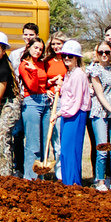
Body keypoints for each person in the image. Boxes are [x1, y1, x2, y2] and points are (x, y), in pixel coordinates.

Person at [86, 41, 111, 191]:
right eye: (101, 52)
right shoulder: (95, 71)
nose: (104, 55)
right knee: (102, 147)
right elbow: (99, 94)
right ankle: (100, 181)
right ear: (97, 54)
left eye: (107, 52)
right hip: (100, 111)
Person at [56, 40, 90, 186]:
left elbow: (76, 100)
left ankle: (72, 183)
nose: (67, 58)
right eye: (65, 56)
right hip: (67, 114)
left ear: (77, 58)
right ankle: (68, 180)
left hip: (75, 114)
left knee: (71, 150)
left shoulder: (78, 75)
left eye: (70, 56)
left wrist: (59, 113)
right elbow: (68, 95)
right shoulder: (69, 73)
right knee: (65, 149)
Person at [0, 32, 22, 177]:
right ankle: (1, 172)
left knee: (2, 137)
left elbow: (0, 94)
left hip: (10, 104)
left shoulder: (3, 69)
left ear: (3, 51)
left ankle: (6, 174)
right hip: (1, 103)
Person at [18, 36, 48, 180]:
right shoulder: (24, 65)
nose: (38, 51)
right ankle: (30, 177)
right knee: (33, 143)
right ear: (29, 47)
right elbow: (32, 86)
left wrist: (50, 86)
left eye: (41, 49)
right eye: (35, 48)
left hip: (45, 102)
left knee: (43, 142)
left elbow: (44, 83)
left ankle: (40, 176)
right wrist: (34, 72)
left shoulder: (41, 63)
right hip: (31, 102)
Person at [38, 33, 67, 179]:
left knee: (59, 139)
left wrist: (63, 85)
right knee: (49, 135)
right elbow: (42, 81)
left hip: (63, 101)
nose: (56, 47)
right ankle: (43, 171)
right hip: (48, 101)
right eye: (54, 44)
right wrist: (48, 88)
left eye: (59, 44)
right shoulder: (47, 61)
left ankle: (60, 173)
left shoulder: (68, 60)